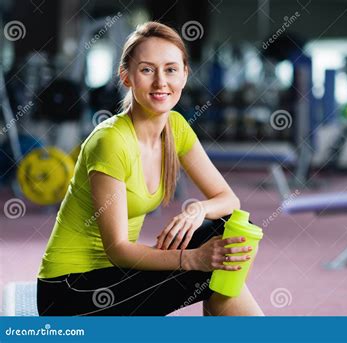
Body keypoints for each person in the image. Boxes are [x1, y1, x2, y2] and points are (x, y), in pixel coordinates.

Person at [36, 21, 264, 316]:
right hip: (71, 291)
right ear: (126, 77)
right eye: (147, 69)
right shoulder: (111, 141)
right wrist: (193, 259)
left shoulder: (175, 127)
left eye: (170, 69)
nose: (160, 82)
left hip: (118, 275)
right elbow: (117, 248)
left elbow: (228, 199)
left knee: (225, 229)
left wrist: (196, 211)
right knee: (217, 267)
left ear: (184, 75)